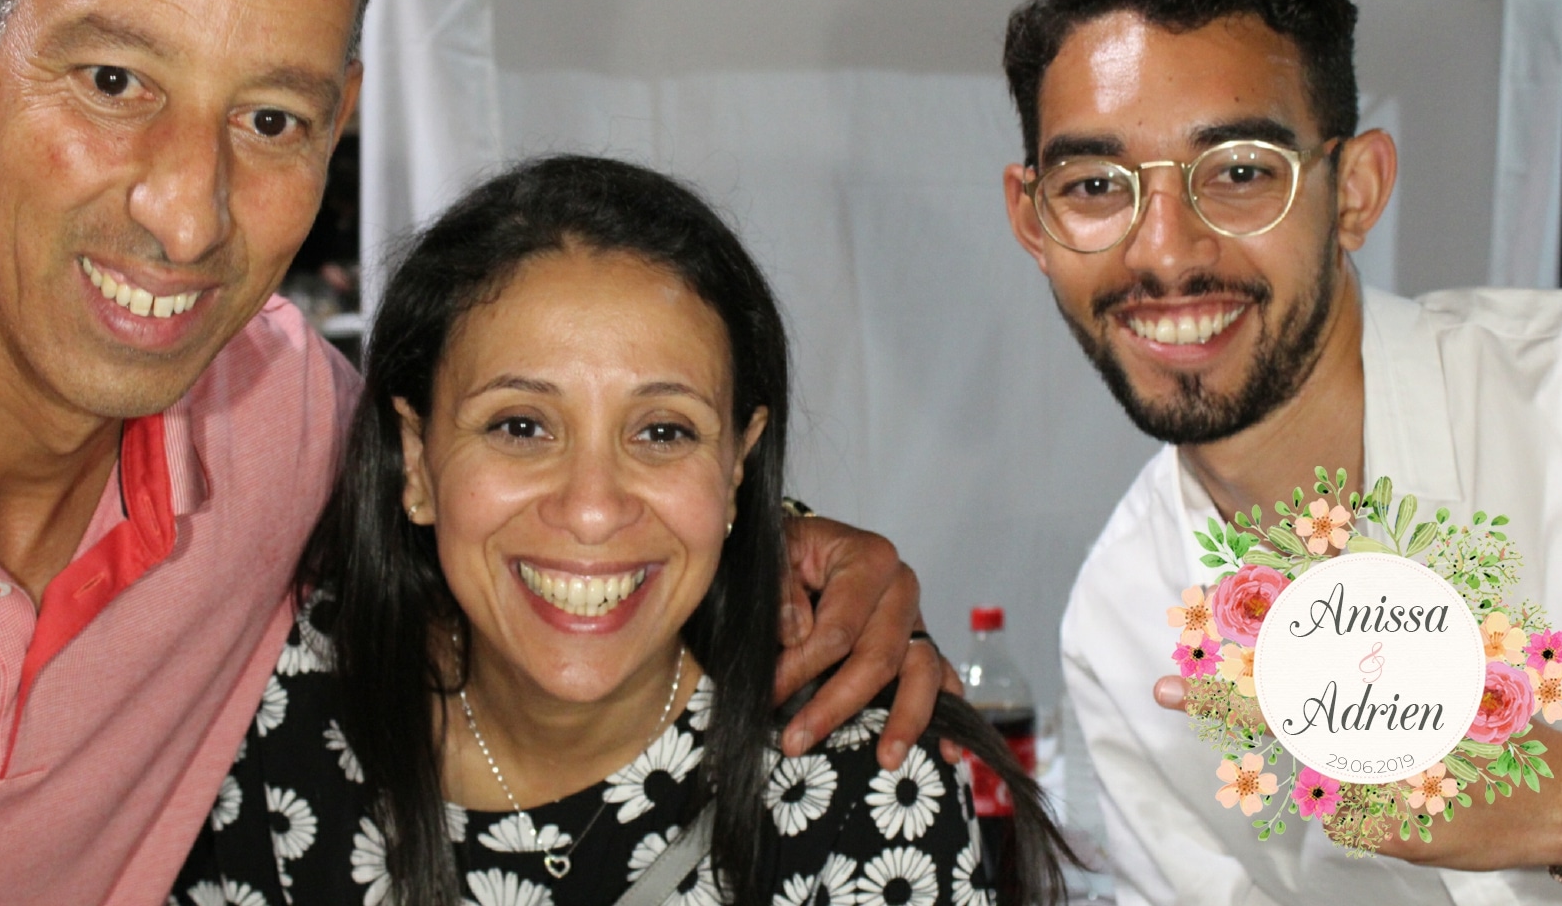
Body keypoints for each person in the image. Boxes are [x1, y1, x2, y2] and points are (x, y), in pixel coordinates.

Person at [0, 0, 946, 906]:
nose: (187, 212)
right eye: (113, 80)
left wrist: (801, 546)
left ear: (335, 126)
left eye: (271, 117)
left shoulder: (279, 423)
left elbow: (540, 483)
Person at [172, 154, 1071, 906]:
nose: (594, 506)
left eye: (662, 433)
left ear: (737, 468)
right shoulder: (274, 713)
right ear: (417, 461)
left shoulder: (859, 792)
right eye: (520, 426)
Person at [999, 0, 1562, 904]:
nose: (1162, 249)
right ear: (1031, 219)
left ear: (1354, 190)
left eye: (1240, 173)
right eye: (1094, 185)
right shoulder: (1125, 628)